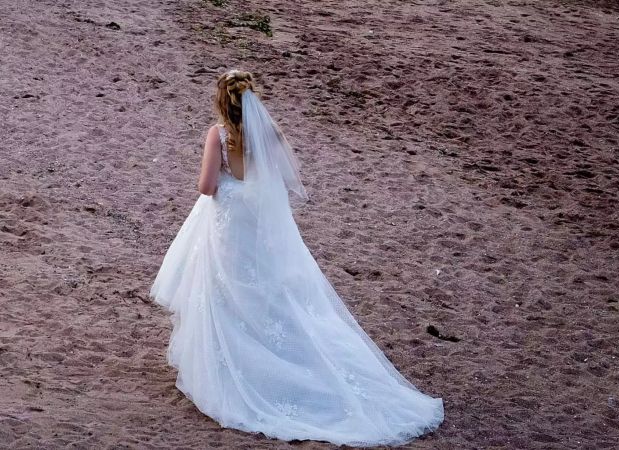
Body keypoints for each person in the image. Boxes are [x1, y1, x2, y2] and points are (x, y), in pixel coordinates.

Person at [149, 70, 444, 446]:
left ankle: (237, 367)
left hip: (229, 223)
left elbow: (207, 187)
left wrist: (224, 176)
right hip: (257, 222)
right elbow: (285, 177)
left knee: (227, 288)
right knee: (268, 288)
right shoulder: (269, 132)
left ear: (222, 101)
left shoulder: (218, 134)